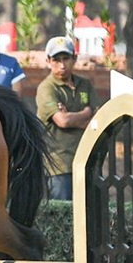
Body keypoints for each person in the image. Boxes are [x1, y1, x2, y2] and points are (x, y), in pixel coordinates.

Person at [34, 37, 97, 200]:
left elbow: (97, 121)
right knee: (63, 215)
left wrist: (73, 116)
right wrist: (85, 112)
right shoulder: (47, 88)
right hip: (60, 164)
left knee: (90, 212)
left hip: (87, 160)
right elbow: (62, 121)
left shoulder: (85, 85)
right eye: (56, 60)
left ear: (74, 59)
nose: (62, 65)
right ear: (48, 61)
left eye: (66, 59)